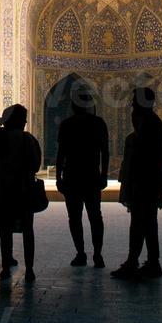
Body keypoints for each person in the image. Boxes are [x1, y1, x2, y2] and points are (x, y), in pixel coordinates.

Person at [111, 87, 162, 280]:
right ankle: (151, 262)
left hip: (145, 183)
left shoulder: (151, 124)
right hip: (145, 182)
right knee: (148, 223)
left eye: (135, 101)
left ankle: (135, 263)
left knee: (141, 223)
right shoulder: (148, 123)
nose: (132, 104)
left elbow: (152, 157)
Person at [0, 103, 42, 282]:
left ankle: (6, 268)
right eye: (23, 119)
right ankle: (30, 270)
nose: (25, 122)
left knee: (5, 231)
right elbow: (35, 165)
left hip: (3, 191)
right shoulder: (28, 139)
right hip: (24, 191)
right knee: (28, 230)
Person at [55, 82, 109, 268]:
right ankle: (98, 254)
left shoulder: (67, 124)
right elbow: (105, 152)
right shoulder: (98, 123)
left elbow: (60, 153)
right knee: (95, 216)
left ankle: (80, 253)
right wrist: (104, 175)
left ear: (73, 105)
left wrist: (58, 178)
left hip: (72, 177)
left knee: (75, 217)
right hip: (92, 176)